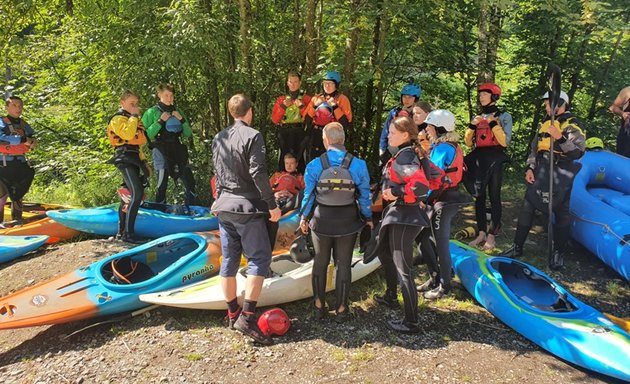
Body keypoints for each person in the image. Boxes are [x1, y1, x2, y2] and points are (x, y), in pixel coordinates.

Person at [212, 94, 282, 345]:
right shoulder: (253, 135)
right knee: (260, 259)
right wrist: (272, 205)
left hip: (224, 207)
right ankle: (247, 318)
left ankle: (232, 313)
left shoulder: (219, 137)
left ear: (232, 113)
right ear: (249, 111)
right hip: (247, 207)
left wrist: (218, 198)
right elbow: (258, 173)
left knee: (229, 261)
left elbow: (218, 173)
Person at [501, 91, 585, 270]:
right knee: (528, 205)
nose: (546, 107)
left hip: (562, 172)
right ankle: (517, 247)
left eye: (548, 104)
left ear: (559, 104)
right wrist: (530, 168)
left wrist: (560, 137)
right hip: (542, 170)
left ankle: (558, 252)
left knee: (561, 210)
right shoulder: (544, 124)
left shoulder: (573, 125)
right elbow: (534, 150)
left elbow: (577, 152)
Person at [299, 122, 372, 323]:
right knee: (343, 264)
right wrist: (368, 219)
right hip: (348, 221)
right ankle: (341, 309)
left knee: (320, 262)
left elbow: (309, 196)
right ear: (343, 140)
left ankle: (318, 307)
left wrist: (303, 218)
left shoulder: (314, 165)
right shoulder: (358, 164)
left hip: (322, 220)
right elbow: (365, 196)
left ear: (326, 140)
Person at [367, 116, 433, 333]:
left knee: (403, 268)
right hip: (399, 214)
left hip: (405, 217)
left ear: (405, 135)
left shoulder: (405, 157)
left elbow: (421, 187)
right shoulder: (403, 154)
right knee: (384, 252)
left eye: (393, 133)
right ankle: (391, 297)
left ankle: (411, 321)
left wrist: (395, 193)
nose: (388, 135)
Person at [417, 109, 470, 300]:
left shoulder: (442, 149)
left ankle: (445, 286)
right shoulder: (447, 146)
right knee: (424, 238)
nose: (427, 130)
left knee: (440, 244)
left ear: (439, 129)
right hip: (441, 198)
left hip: (444, 200)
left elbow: (434, 178)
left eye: (430, 127)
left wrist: (422, 199)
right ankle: (434, 276)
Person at [464, 83, 513, 251]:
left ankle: (492, 235)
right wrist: (472, 126)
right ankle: (482, 232)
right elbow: (468, 142)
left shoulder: (504, 116)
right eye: (480, 94)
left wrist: (493, 124)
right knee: (479, 196)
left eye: (485, 94)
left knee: (494, 195)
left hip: (495, 157)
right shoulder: (477, 117)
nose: (481, 97)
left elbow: (504, 142)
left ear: (494, 96)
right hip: (479, 157)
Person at [106, 90, 150, 243]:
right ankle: (128, 234)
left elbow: (141, 141)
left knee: (128, 196)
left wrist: (144, 162)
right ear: (122, 103)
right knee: (136, 193)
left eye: (136, 104)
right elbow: (128, 135)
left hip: (135, 157)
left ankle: (121, 232)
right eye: (132, 103)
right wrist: (133, 116)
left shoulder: (134, 119)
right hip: (124, 158)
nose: (135, 107)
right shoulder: (117, 119)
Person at [142, 83, 197, 206]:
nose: (169, 98)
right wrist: (160, 121)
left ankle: (192, 209)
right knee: (162, 184)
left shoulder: (178, 111)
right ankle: (160, 212)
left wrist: (181, 119)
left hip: (177, 148)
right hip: (161, 149)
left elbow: (188, 133)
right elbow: (144, 137)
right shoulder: (151, 112)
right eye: (166, 95)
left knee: (190, 182)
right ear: (159, 95)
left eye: (171, 95)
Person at [0, 96, 36, 224]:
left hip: (20, 162)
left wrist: (32, 143)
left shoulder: (23, 124)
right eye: (14, 105)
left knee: (18, 194)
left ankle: (17, 221)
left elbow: (32, 138)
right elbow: (2, 138)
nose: (18, 108)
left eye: (20, 105)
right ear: (7, 107)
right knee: (2, 195)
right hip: (3, 163)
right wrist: (22, 140)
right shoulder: (1, 122)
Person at [303, 71, 352, 162]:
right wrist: (314, 106)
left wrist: (335, 107)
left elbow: (345, 123)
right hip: (316, 135)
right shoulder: (316, 98)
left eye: (330, 83)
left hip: (334, 135)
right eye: (325, 83)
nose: (327, 86)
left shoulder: (342, 99)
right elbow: (306, 121)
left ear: (336, 85)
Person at [271, 71, 311, 172]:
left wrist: (302, 107)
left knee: (301, 160)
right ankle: (282, 182)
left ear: (300, 83)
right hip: (285, 133)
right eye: (291, 82)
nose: (293, 84)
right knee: (283, 160)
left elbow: (312, 118)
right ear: (287, 83)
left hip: (300, 133)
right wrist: (283, 107)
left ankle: (302, 183)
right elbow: (275, 120)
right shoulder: (281, 100)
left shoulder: (306, 99)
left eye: (295, 82)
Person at [378, 83, 422, 166]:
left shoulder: (418, 114)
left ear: (415, 99)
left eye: (410, 97)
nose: (406, 100)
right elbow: (385, 132)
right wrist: (382, 150)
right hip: (392, 150)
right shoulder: (394, 112)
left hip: (410, 152)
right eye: (404, 96)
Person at [609, 86, 630, 157]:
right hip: (627, 138)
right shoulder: (627, 91)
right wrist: (622, 113)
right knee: (623, 160)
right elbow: (613, 107)